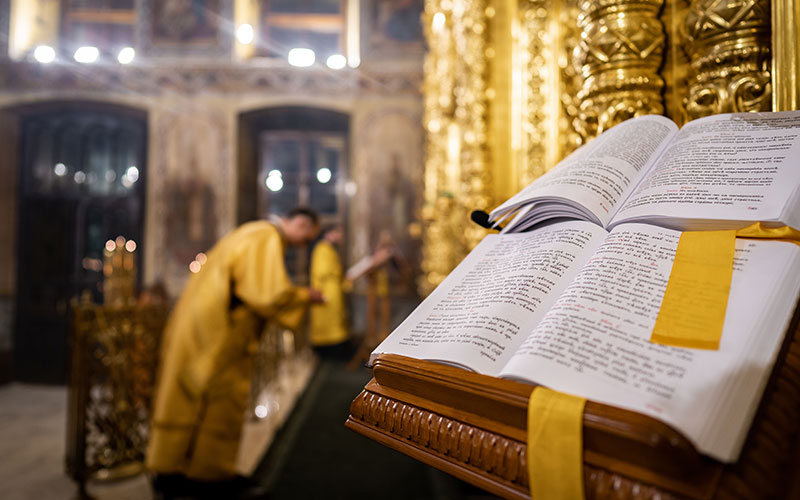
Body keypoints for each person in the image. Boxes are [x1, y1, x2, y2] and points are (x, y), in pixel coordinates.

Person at [146, 208, 324, 500]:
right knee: (216, 398)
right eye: (307, 237)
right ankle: (196, 477)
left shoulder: (253, 231)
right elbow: (267, 294)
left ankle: (189, 472)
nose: (304, 244)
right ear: (301, 223)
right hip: (218, 331)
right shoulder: (266, 235)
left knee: (192, 397)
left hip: (204, 325)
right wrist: (305, 296)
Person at [309, 224, 350, 359]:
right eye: (338, 233)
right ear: (330, 233)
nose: (341, 236)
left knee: (336, 321)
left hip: (333, 289)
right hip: (326, 291)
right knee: (327, 322)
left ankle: (336, 353)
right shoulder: (322, 248)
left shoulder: (329, 249)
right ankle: (328, 354)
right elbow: (322, 271)